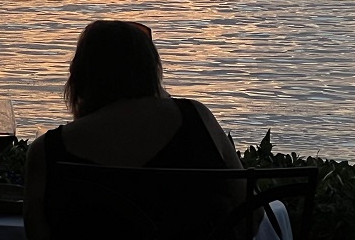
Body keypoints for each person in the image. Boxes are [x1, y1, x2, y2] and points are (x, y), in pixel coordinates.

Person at [24, 21, 281, 240]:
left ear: (80, 76)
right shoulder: (194, 118)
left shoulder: (47, 150)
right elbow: (252, 214)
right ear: (151, 70)